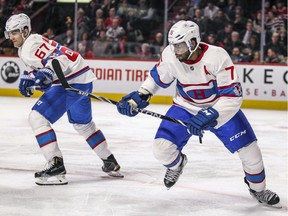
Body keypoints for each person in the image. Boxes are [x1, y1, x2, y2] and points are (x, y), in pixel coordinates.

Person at [116, 20, 281, 208]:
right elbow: (157, 78)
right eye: (173, 45)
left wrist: (211, 114)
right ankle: (177, 165)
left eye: (179, 45)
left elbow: (232, 97)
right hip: (185, 107)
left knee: (251, 153)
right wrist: (140, 95)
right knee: (161, 149)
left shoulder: (217, 57)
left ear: (193, 42)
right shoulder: (170, 55)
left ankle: (258, 190)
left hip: (220, 108)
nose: (175, 50)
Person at [5, 13, 123, 185]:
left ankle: (56, 167)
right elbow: (46, 68)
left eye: (14, 33)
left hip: (70, 82)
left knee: (37, 118)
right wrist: (34, 79)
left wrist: (45, 75)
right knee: (83, 125)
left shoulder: (30, 45)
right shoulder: (29, 44)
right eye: (9, 34)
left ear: (24, 31)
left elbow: (59, 60)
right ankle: (110, 162)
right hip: (82, 79)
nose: (11, 37)